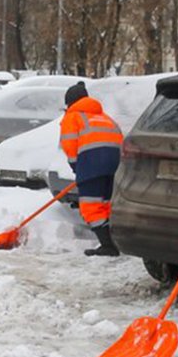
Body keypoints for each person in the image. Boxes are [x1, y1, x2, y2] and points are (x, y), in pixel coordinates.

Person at [59, 81, 123, 257]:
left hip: (91, 166)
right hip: (115, 167)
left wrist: (77, 168)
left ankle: (108, 246)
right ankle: (115, 242)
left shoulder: (72, 117)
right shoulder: (106, 118)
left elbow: (70, 146)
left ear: (70, 102)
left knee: (92, 207)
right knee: (107, 205)